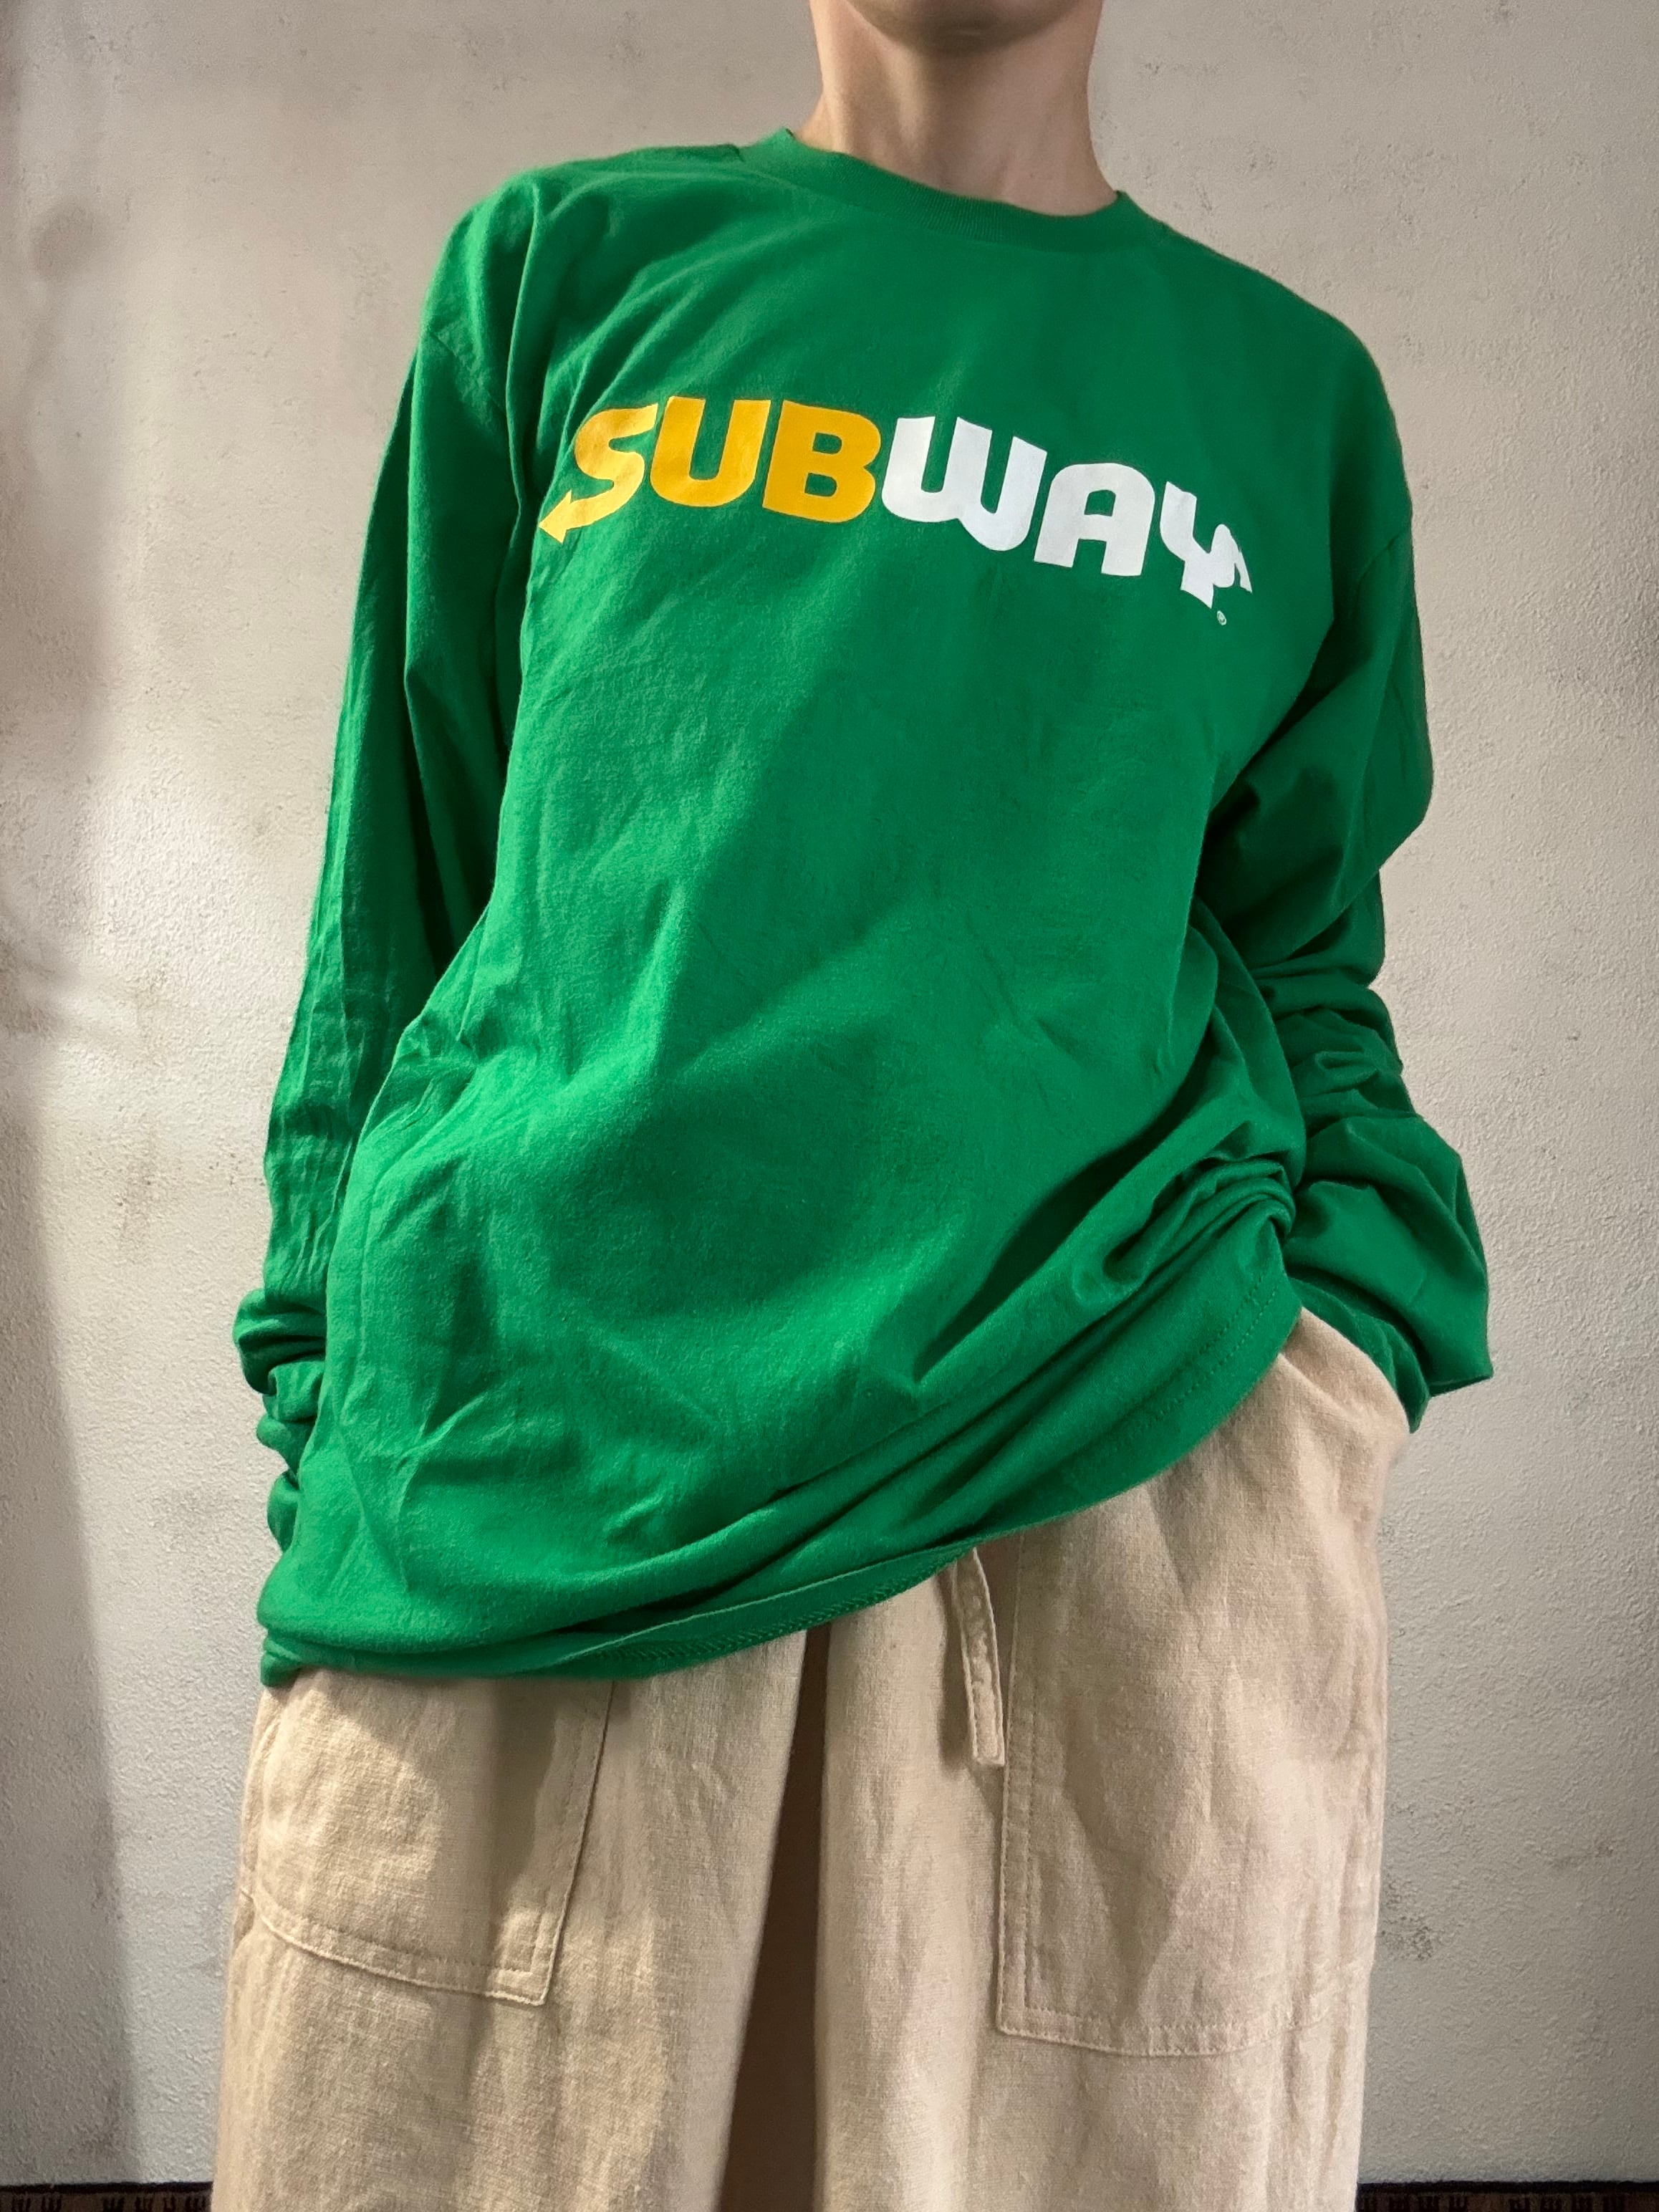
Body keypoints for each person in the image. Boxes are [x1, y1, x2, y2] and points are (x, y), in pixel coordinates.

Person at [213, 0, 1493, 2203]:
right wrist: (333, 1394)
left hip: (1101, 1476)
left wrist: (1337, 1353)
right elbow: (400, 894)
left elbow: (1300, 947)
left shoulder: (1284, 398)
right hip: (534, 1483)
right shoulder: (568, 267)